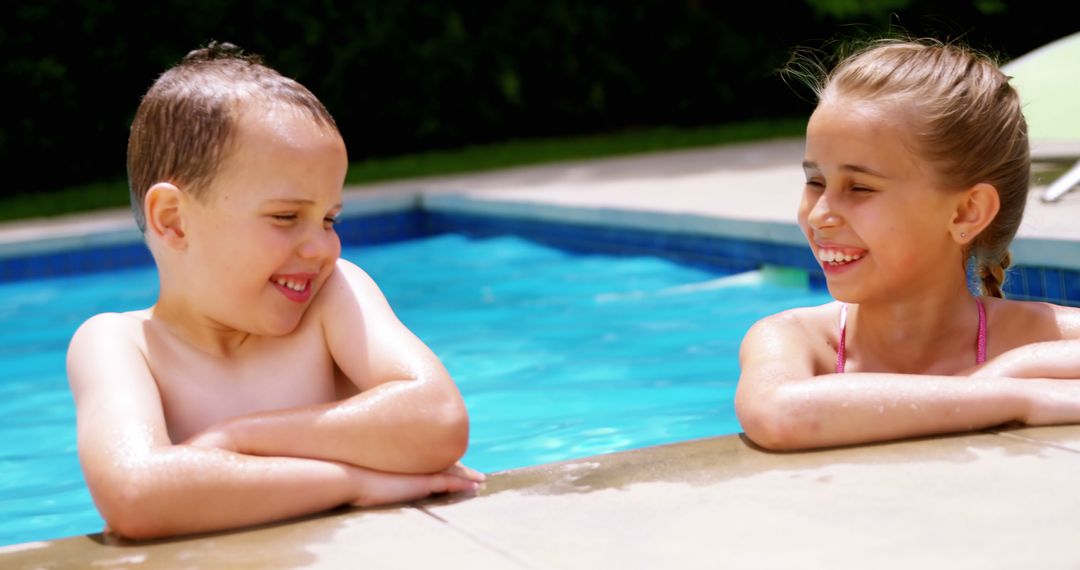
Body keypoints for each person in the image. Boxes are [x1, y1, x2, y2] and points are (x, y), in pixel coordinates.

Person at [66, 41, 484, 540]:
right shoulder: (120, 345)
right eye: (286, 217)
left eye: (329, 219)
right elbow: (133, 495)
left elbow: (437, 421)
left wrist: (238, 438)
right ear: (174, 221)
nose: (321, 248)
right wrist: (351, 481)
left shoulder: (335, 297)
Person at [735, 38, 1080, 451]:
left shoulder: (1038, 337)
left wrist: (1023, 362)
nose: (818, 214)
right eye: (815, 182)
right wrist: (1011, 390)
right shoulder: (797, 339)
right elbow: (780, 413)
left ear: (966, 213)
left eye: (860, 187)